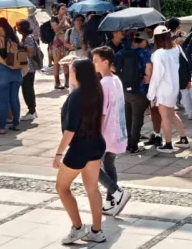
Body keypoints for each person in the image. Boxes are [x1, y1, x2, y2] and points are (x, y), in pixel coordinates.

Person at [53, 59, 108, 245]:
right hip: (96, 142)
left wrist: (59, 153)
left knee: (61, 187)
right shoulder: (97, 90)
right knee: (92, 188)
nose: (70, 73)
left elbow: (70, 129)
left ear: (77, 73)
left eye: (71, 70)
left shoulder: (78, 95)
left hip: (80, 147)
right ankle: (97, 230)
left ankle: (77, 227)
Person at [91, 45, 129, 217]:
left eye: (96, 61)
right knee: (109, 164)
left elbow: (102, 113)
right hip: (118, 131)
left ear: (105, 62)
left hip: (107, 132)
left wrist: (95, 133)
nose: (94, 64)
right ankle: (110, 201)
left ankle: (116, 192)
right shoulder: (116, 79)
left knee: (90, 166)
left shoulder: (104, 83)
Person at [148, 26, 190, 153]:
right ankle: (183, 139)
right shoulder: (176, 48)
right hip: (173, 87)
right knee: (171, 114)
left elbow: (156, 76)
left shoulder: (158, 54)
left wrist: (151, 95)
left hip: (163, 88)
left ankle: (168, 144)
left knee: (165, 116)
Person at [117, 32, 154, 153]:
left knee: (128, 118)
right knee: (137, 118)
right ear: (142, 41)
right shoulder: (143, 53)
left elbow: (113, 67)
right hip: (139, 90)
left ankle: (127, 143)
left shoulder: (121, 53)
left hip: (124, 90)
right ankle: (133, 145)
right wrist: (147, 78)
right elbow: (148, 67)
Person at [0, 18, 24, 134]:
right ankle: (16, 124)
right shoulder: (15, 39)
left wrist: (6, 64)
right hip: (17, 72)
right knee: (14, 98)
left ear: (0, 27)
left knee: (3, 101)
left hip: (2, 72)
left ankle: (2, 127)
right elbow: (23, 58)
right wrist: (15, 66)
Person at [16, 20, 40, 122]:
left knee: (28, 89)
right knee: (26, 88)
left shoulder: (29, 38)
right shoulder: (25, 37)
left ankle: (32, 111)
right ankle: (32, 110)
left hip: (29, 68)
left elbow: (29, 53)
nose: (17, 28)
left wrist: (20, 46)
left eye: (18, 27)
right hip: (25, 67)